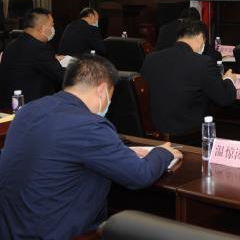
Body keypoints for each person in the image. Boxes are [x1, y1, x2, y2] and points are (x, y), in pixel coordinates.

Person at [0, 54, 182, 239]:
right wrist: (162, 152)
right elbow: (140, 175)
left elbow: (59, 153)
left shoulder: (29, 110)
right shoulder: (88, 124)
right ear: (102, 90)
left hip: (12, 229)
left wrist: (120, 151)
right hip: (55, 233)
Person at [140, 20, 236, 135]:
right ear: (200, 37)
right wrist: (229, 79)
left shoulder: (151, 58)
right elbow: (225, 98)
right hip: (186, 134)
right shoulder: (203, 63)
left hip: (152, 130)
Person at [0, 7, 64, 108]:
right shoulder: (39, 48)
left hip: (7, 104)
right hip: (29, 107)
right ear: (42, 29)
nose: (53, 29)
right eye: (52, 25)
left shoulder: (12, 44)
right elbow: (61, 76)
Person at [155, 7, 220, 60]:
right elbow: (207, 51)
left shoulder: (164, 27)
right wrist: (218, 55)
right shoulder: (195, 29)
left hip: (161, 62)